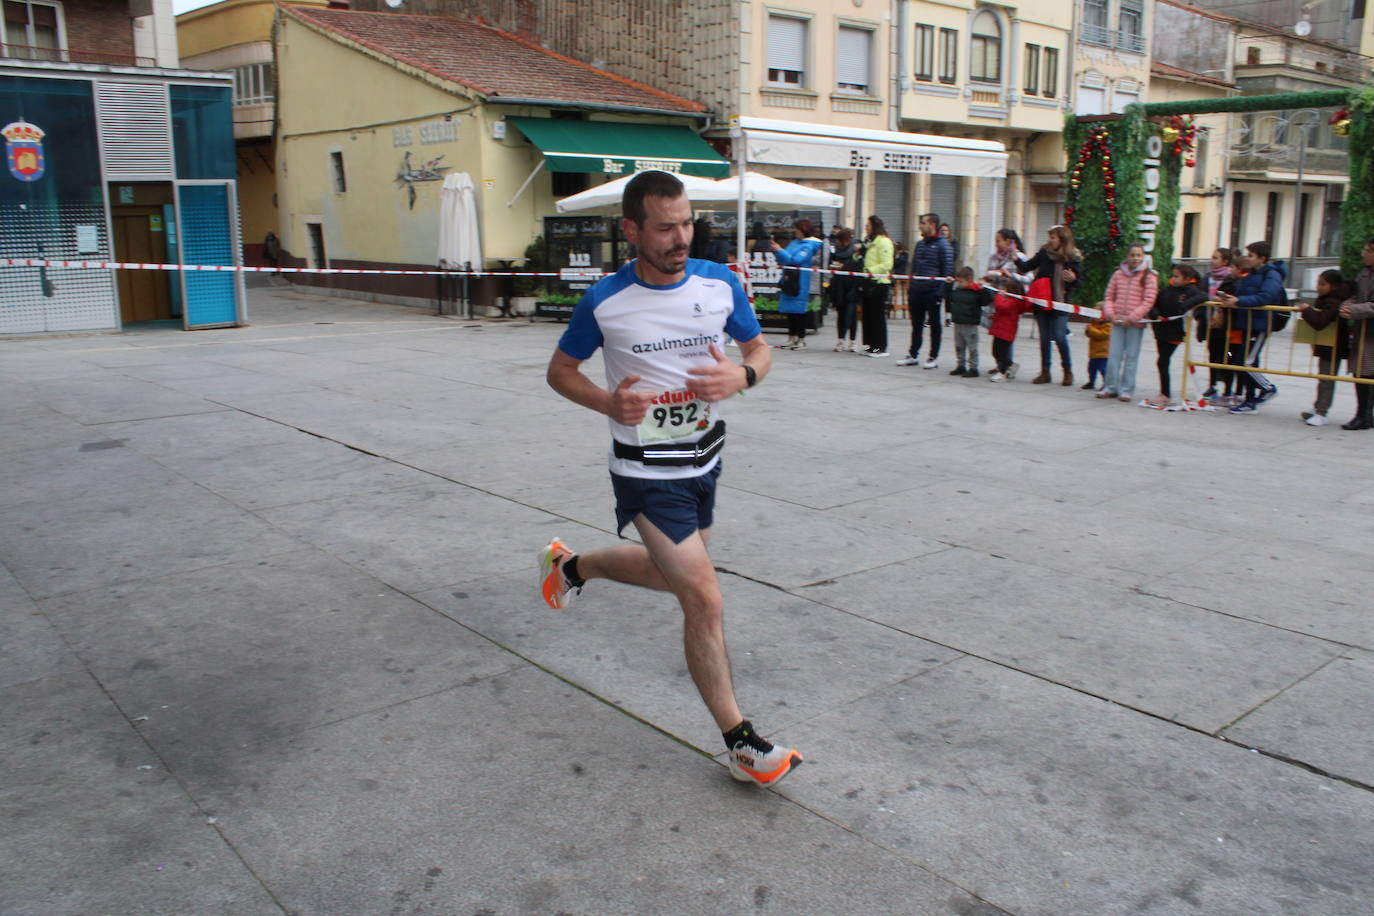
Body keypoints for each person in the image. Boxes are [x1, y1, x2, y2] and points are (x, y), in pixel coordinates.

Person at [541, 170, 802, 788]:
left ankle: (574, 567)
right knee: (703, 597)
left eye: (686, 223)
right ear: (632, 230)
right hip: (644, 473)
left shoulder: (720, 284)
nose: (681, 237)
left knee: (670, 576)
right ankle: (741, 744)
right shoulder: (604, 300)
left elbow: (761, 349)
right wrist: (608, 403)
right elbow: (560, 371)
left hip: (705, 460)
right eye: (665, 227)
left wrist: (745, 377)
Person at [1215, 240, 1284, 414]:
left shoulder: (1271, 275)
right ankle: (1250, 399)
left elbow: (1265, 297)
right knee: (1244, 361)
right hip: (1246, 323)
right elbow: (1243, 294)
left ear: (1262, 258)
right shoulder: (1252, 275)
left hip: (1259, 324)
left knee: (1245, 362)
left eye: (1251, 255)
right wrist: (1228, 299)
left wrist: (1239, 301)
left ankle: (1268, 388)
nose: (1248, 258)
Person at [1015, 225, 1081, 386]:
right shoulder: (1044, 253)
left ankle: (1067, 371)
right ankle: (1045, 372)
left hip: (1061, 303)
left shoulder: (1072, 258)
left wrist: (1073, 279)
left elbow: (1080, 282)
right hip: (1042, 303)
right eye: (1050, 237)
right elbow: (1027, 267)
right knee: (1044, 338)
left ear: (1062, 240)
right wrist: (1016, 258)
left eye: (1053, 237)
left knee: (1059, 336)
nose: (1050, 241)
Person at [1096, 242, 1158, 403]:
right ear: (1127, 256)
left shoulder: (1149, 276)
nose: (1135, 258)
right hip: (1117, 321)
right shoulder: (1118, 275)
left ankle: (1126, 390)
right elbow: (1109, 297)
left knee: (1131, 357)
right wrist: (1111, 314)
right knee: (1114, 356)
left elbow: (1148, 300)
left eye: (1139, 255)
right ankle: (1110, 387)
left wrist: (1132, 318)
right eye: (1132, 255)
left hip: (1135, 324)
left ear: (1143, 257)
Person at [1145, 263, 1207, 407]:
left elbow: (1203, 296)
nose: (1173, 278)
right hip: (1160, 329)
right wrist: (1156, 314)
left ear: (1186, 279)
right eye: (1173, 275)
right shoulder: (1167, 290)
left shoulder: (1191, 291)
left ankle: (1165, 394)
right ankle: (1164, 393)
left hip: (1175, 332)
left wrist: (1185, 306)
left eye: (1176, 276)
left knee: (1162, 361)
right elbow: (1154, 304)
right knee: (1162, 361)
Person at [898, 213, 955, 368]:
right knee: (916, 325)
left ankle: (932, 357)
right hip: (917, 291)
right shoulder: (920, 244)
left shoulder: (944, 246)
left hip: (932, 292)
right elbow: (914, 267)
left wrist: (939, 293)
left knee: (935, 325)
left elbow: (948, 272)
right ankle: (913, 354)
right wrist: (911, 287)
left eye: (923, 223)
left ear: (932, 225)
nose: (920, 226)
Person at [1295, 269, 1350, 426]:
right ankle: (1319, 406)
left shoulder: (1334, 301)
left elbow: (1320, 321)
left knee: (1327, 378)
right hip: (1327, 344)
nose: (1318, 287)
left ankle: (1322, 411)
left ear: (1333, 286)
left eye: (1322, 284)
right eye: (1318, 283)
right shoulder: (1328, 298)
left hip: (1333, 344)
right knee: (1323, 377)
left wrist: (1306, 310)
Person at [1338, 239, 1374, 430]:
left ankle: (1365, 416)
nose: (1363, 254)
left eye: (1368, 251)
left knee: (1367, 374)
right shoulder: (1365, 273)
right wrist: (1346, 306)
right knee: (1361, 373)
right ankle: (1362, 415)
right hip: (1362, 330)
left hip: (1371, 333)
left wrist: (1354, 310)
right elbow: (1356, 295)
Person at [771, 219, 823, 350]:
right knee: (790, 311)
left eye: (797, 229)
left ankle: (801, 339)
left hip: (799, 281)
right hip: (789, 279)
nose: (795, 231)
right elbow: (785, 258)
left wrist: (780, 250)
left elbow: (795, 260)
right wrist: (777, 252)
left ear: (803, 230)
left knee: (799, 311)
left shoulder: (808, 245)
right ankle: (792, 337)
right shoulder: (794, 243)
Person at [1200, 248, 1238, 401]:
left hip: (1227, 325)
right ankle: (1212, 385)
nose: (1212, 260)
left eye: (1216, 258)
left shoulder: (1231, 277)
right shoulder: (1208, 277)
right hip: (1211, 324)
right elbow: (1201, 296)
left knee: (1228, 355)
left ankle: (1228, 389)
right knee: (1212, 354)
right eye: (1212, 257)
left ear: (1225, 261)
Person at [943, 266, 992, 377]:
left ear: (969, 280)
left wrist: (982, 290)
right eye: (958, 281)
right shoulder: (957, 291)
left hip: (970, 323)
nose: (959, 283)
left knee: (972, 346)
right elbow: (948, 297)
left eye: (961, 281)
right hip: (958, 322)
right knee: (959, 346)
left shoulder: (976, 292)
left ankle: (973, 368)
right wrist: (948, 285)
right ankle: (961, 365)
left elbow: (986, 301)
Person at [861, 215, 894, 357]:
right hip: (868, 283)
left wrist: (871, 271)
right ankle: (870, 345)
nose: (866, 228)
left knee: (877, 316)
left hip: (879, 283)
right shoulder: (870, 242)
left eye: (868, 225)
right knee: (867, 316)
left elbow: (887, 264)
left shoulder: (884, 242)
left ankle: (880, 346)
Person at [986, 277, 1030, 382]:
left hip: (1006, 332)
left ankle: (1002, 372)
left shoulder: (1014, 301)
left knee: (1002, 353)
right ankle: (1011, 365)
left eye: (1006, 289)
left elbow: (1002, 307)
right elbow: (1004, 312)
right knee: (996, 352)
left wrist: (999, 296)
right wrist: (994, 316)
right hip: (1000, 330)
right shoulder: (1009, 300)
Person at [829, 227, 862, 352]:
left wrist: (845, 266)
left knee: (851, 314)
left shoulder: (855, 249)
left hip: (852, 284)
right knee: (841, 313)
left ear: (846, 240)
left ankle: (852, 341)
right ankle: (840, 340)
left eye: (840, 241)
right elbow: (832, 262)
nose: (839, 244)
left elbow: (858, 265)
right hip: (839, 284)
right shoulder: (836, 250)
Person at [1083, 317, 1112, 391]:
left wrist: (1091, 329)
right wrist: (1087, 330)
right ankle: (1091, 382)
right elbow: (1090, 334)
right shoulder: (1094, 324)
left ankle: (1106, 383)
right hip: (1093, 352)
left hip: (1103, 352)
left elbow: (1102, 335)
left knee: (1103, 369)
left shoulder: (1108, 325)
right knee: (1091, 369)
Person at [891, 241, 910, 315]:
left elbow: (898, 263)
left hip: (900, 274)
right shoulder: (896, 255)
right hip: (895, 273)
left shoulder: (904, 255)